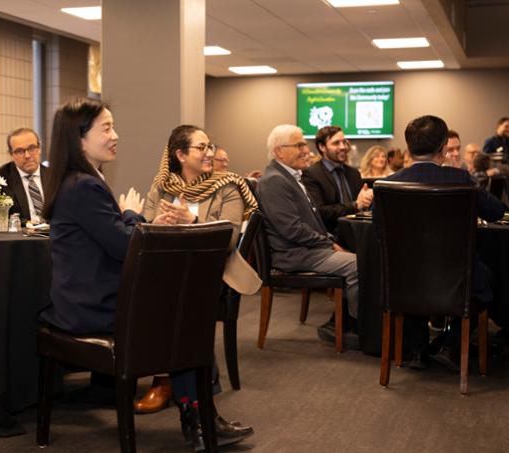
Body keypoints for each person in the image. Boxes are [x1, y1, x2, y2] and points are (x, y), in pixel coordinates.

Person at [38, 99, 253, 451]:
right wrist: (132, 215)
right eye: (106, 128)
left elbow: (115, 242)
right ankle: (198, 418)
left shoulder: (80, 181)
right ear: (79, 140)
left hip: (87, 296)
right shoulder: (84, 186)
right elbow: (124, 247)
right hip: (88, 306)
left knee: (181, 310)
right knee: (185, 315)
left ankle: (198, 416)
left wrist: (129, 218)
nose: (115, 135)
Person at [135, 125, 258, 419]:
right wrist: (161, 224)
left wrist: (192, 221)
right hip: (165, 266)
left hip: (212, 270)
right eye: (201, 148)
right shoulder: (161, 187)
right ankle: (190, 384)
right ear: (180, 154)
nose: (210, 153)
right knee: (148, 289)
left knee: (172, 295)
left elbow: (228, 238)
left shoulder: (228, 185)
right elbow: (145, 229)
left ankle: (166, 381)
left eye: (210, 146)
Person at [379, 115, 505, 371]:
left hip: (403, 281)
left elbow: (378, 231)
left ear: (409, 147)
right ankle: (450, 344)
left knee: (411, 271)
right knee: (486, 279)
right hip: (456, 279)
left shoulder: (386, 185)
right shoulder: (461, 179)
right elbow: (497, 212)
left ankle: (417, 350)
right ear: (445, 147)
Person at [256, 124, 360, 349]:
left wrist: (329, 242)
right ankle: (357, 328)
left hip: (308, 250)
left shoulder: (290, 177)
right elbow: (292, 230)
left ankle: (354, 323)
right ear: (279, 151)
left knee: (361, 259)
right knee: (358, 265)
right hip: (294, 255)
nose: (306, 149)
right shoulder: (274, 181)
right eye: (300, 144)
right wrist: (329, 244)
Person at [302, 125, 373, 236]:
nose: (343, 147)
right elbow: (319, 212)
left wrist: (367, 198)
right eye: (336, 143)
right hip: (331, 235)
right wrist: (355, 205)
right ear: (322, 147)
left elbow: (361, 205)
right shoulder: (311, 174)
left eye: (344, 142)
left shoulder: (353, 173)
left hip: (359, 231)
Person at [0, 127, 47, 224]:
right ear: (11, 154)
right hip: (22, 236)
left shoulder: (55, 176)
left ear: (39, 148)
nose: (27, 155)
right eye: (19, 151)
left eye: (32, 148)